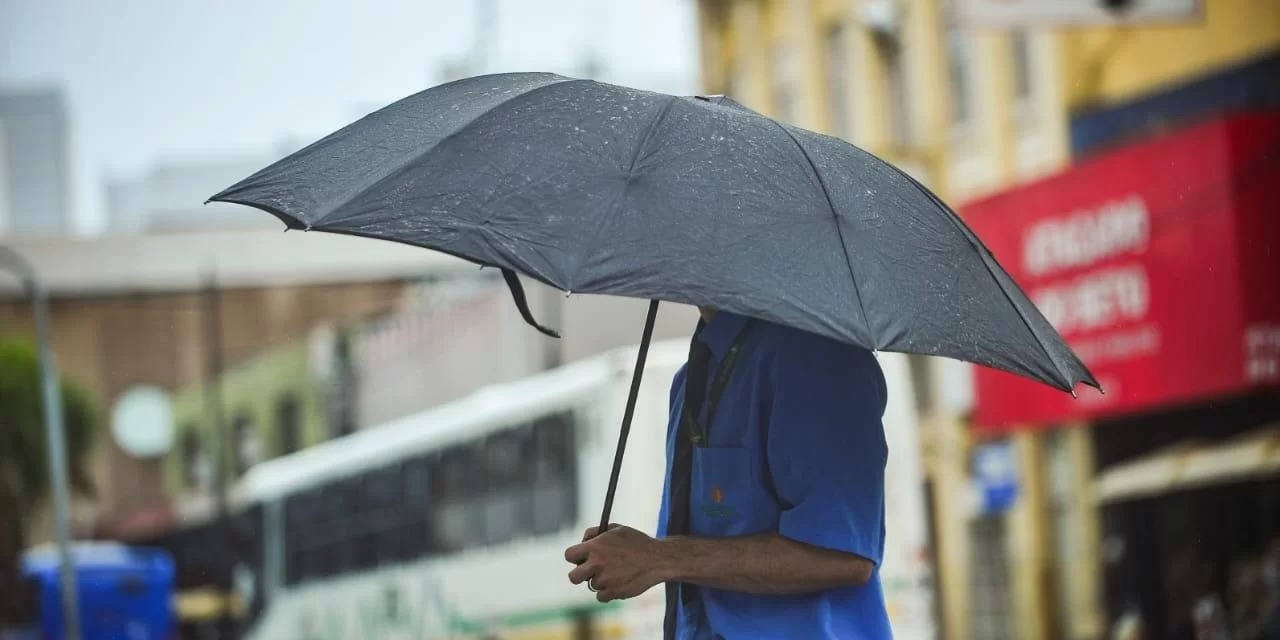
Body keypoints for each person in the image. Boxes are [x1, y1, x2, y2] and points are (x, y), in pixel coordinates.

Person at [564, 307, 892, 639]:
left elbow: (844, 555)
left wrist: (659, 556)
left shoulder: (817, 355)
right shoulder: (690, 379)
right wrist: (646, 553)